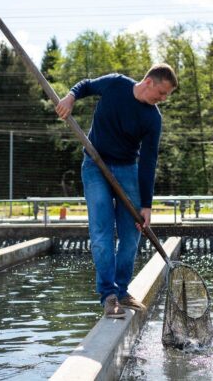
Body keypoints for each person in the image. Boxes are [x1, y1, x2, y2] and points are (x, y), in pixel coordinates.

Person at [56, 64, 177, 319]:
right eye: (162, 93)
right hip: (94, 164)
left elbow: (148, 162)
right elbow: (86, 84)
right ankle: (108, 295)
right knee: (101, 231)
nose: (163, 99)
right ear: (149, 83)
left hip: (127, 169)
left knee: (132, 233)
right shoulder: (115, 84)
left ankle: (122, 290)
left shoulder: (153, 118)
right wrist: (70, 96)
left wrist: (146, 205)